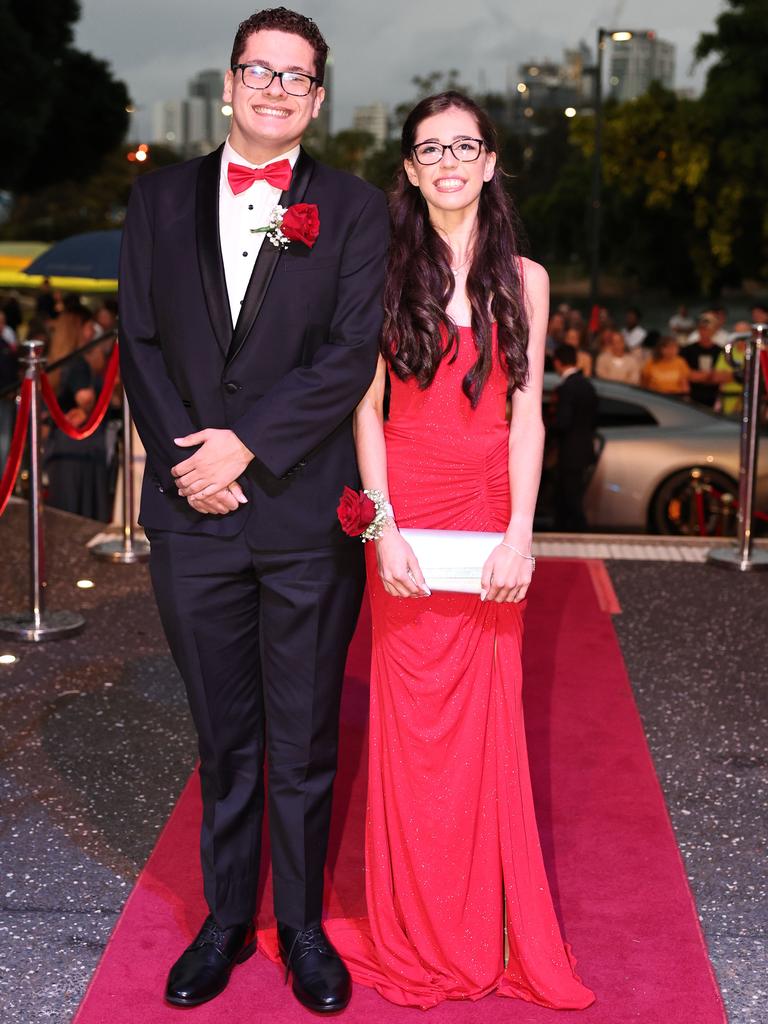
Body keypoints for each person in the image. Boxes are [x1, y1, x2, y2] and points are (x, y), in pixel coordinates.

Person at [118, 7, 388, 1014]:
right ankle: (228, 919)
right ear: (228, 82)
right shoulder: (156, 198)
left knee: (307, 738)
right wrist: (194, 461)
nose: (276, 88)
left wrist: (250, 445)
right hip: (192, 518)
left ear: (317, 98)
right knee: (224, 733)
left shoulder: (356, 210)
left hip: (304, 517)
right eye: (259, 70)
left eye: (297, 76)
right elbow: (138, 342)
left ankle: (305, 928)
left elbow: (347, 354)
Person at [350, 91, 594, 1010]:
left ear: (490, 162)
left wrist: (524, 536)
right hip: (408, 515)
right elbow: (364, 410)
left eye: (465, 145)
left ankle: (482, 923)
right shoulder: (378, 269)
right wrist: (384, 529)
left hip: (492, 516)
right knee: (410, 734)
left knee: (488, 732)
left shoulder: (524, 278)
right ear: (410, 171)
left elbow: (527, 418)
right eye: (430, 148)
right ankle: (413, 923)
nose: (449, 159)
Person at [551, 342, 598, 531]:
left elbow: (563, 422)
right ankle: (565, 530)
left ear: (557, 362)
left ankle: (578, 531)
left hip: (570, 451)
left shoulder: (567, 388)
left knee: (569, 497)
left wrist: (546, 430)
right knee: (570, 495)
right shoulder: (587, 385)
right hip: (584, 448)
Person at [681, 313, 721, 406]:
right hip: (692, 394)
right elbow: (684, 373)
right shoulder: (687, 350)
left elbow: (722, 376)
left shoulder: (720, 351)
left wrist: (706, 376)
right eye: (702, 329)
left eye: (708, 329)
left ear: (714, 331)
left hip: (714, 395)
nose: (705, 332)